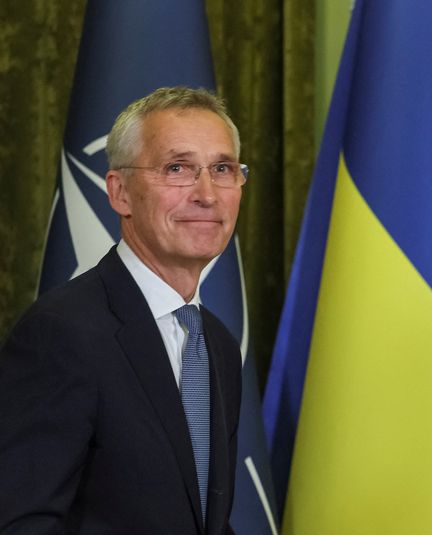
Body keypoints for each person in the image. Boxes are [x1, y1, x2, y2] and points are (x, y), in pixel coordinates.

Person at [0, 87, 247, 534]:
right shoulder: (62, 334)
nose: (208, 194)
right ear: (120, 193)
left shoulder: (219, 346)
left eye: (223, 169)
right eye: (178, 168)